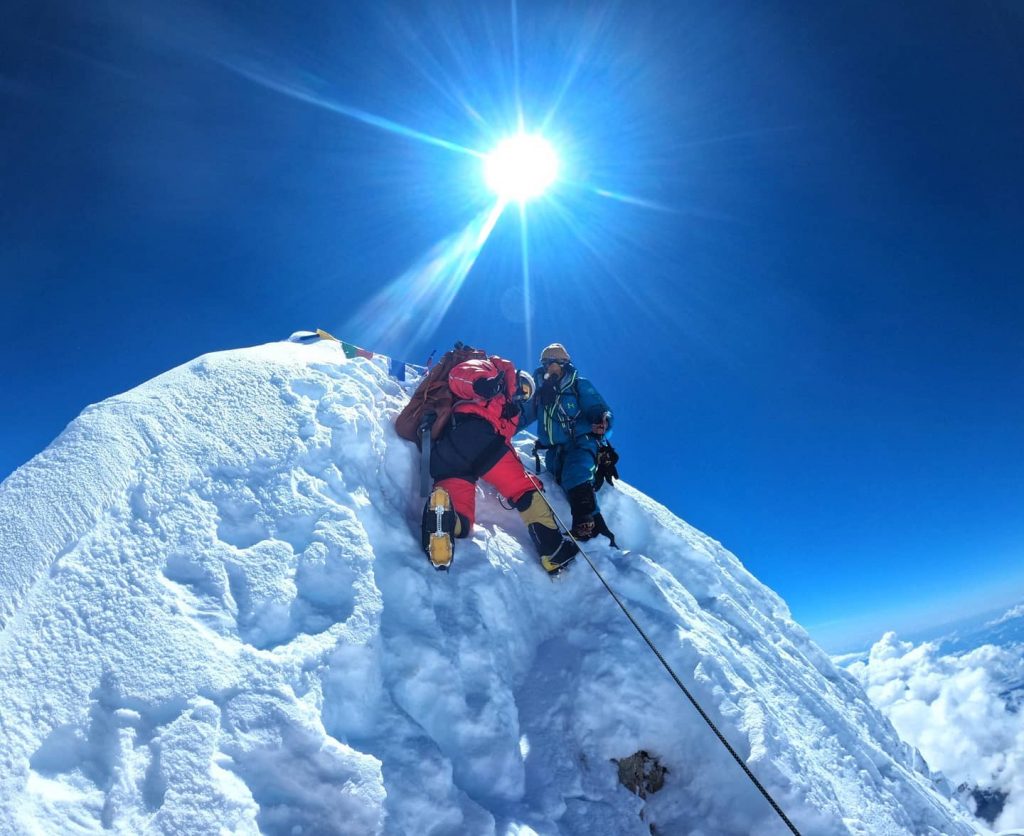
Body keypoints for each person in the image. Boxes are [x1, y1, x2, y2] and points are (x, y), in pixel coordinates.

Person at [421, 353, 579, 574]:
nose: (521, 394)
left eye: (526, 394)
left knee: (464, 519)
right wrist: (483, 384)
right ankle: (553, 551)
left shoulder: (507, 412)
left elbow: (504, 440)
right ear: (516, 377)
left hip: (449, 454)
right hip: (477, 436)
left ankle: (444, 520)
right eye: (523, 387)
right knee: (525, 487)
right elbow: (460, 376)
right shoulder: (494, 371)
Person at [519, 343, 616, 543]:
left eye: (556, 362)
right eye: (547, 362)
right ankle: (599, 530)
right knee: (565, 480)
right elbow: (522, 415)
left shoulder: (578, 385)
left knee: (576, 471)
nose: (551, 366)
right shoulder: (539, 391)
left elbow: (597, 406)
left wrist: (601, 419)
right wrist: (501, 428)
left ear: (565, 364)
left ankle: (583, 525)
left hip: (582, 441)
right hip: (556, 451)